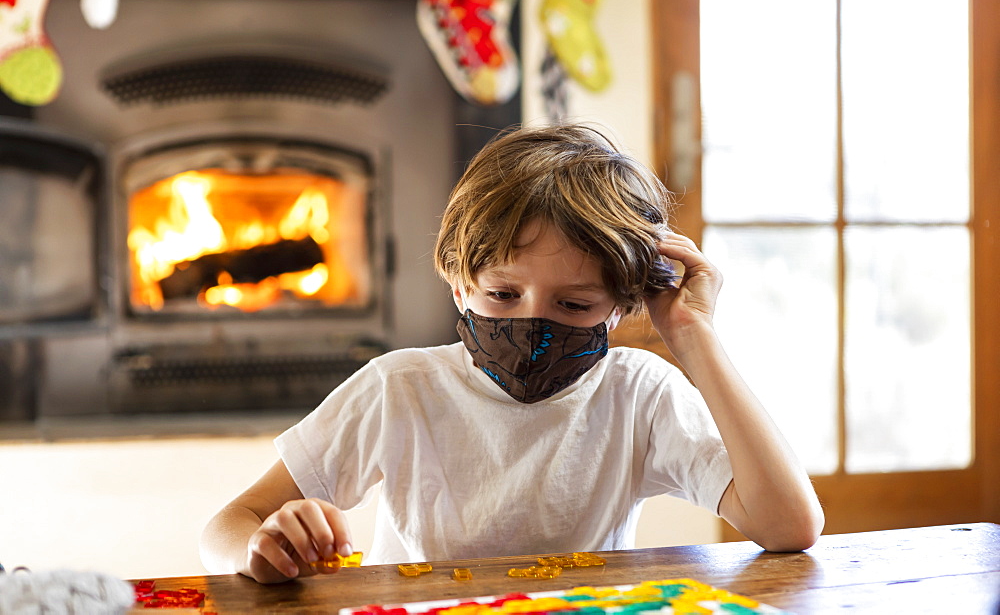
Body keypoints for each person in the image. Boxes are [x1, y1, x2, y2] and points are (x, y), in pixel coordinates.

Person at [199, 123, 824, 584]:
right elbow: (227, 526)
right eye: (502, 293)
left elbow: (789, 526)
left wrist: (694, 337)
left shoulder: (640, 392)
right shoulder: (400, 387)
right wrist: (259, 549)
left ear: (620, 304)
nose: (532, 322)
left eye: (575, 306)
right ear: (459, 280)